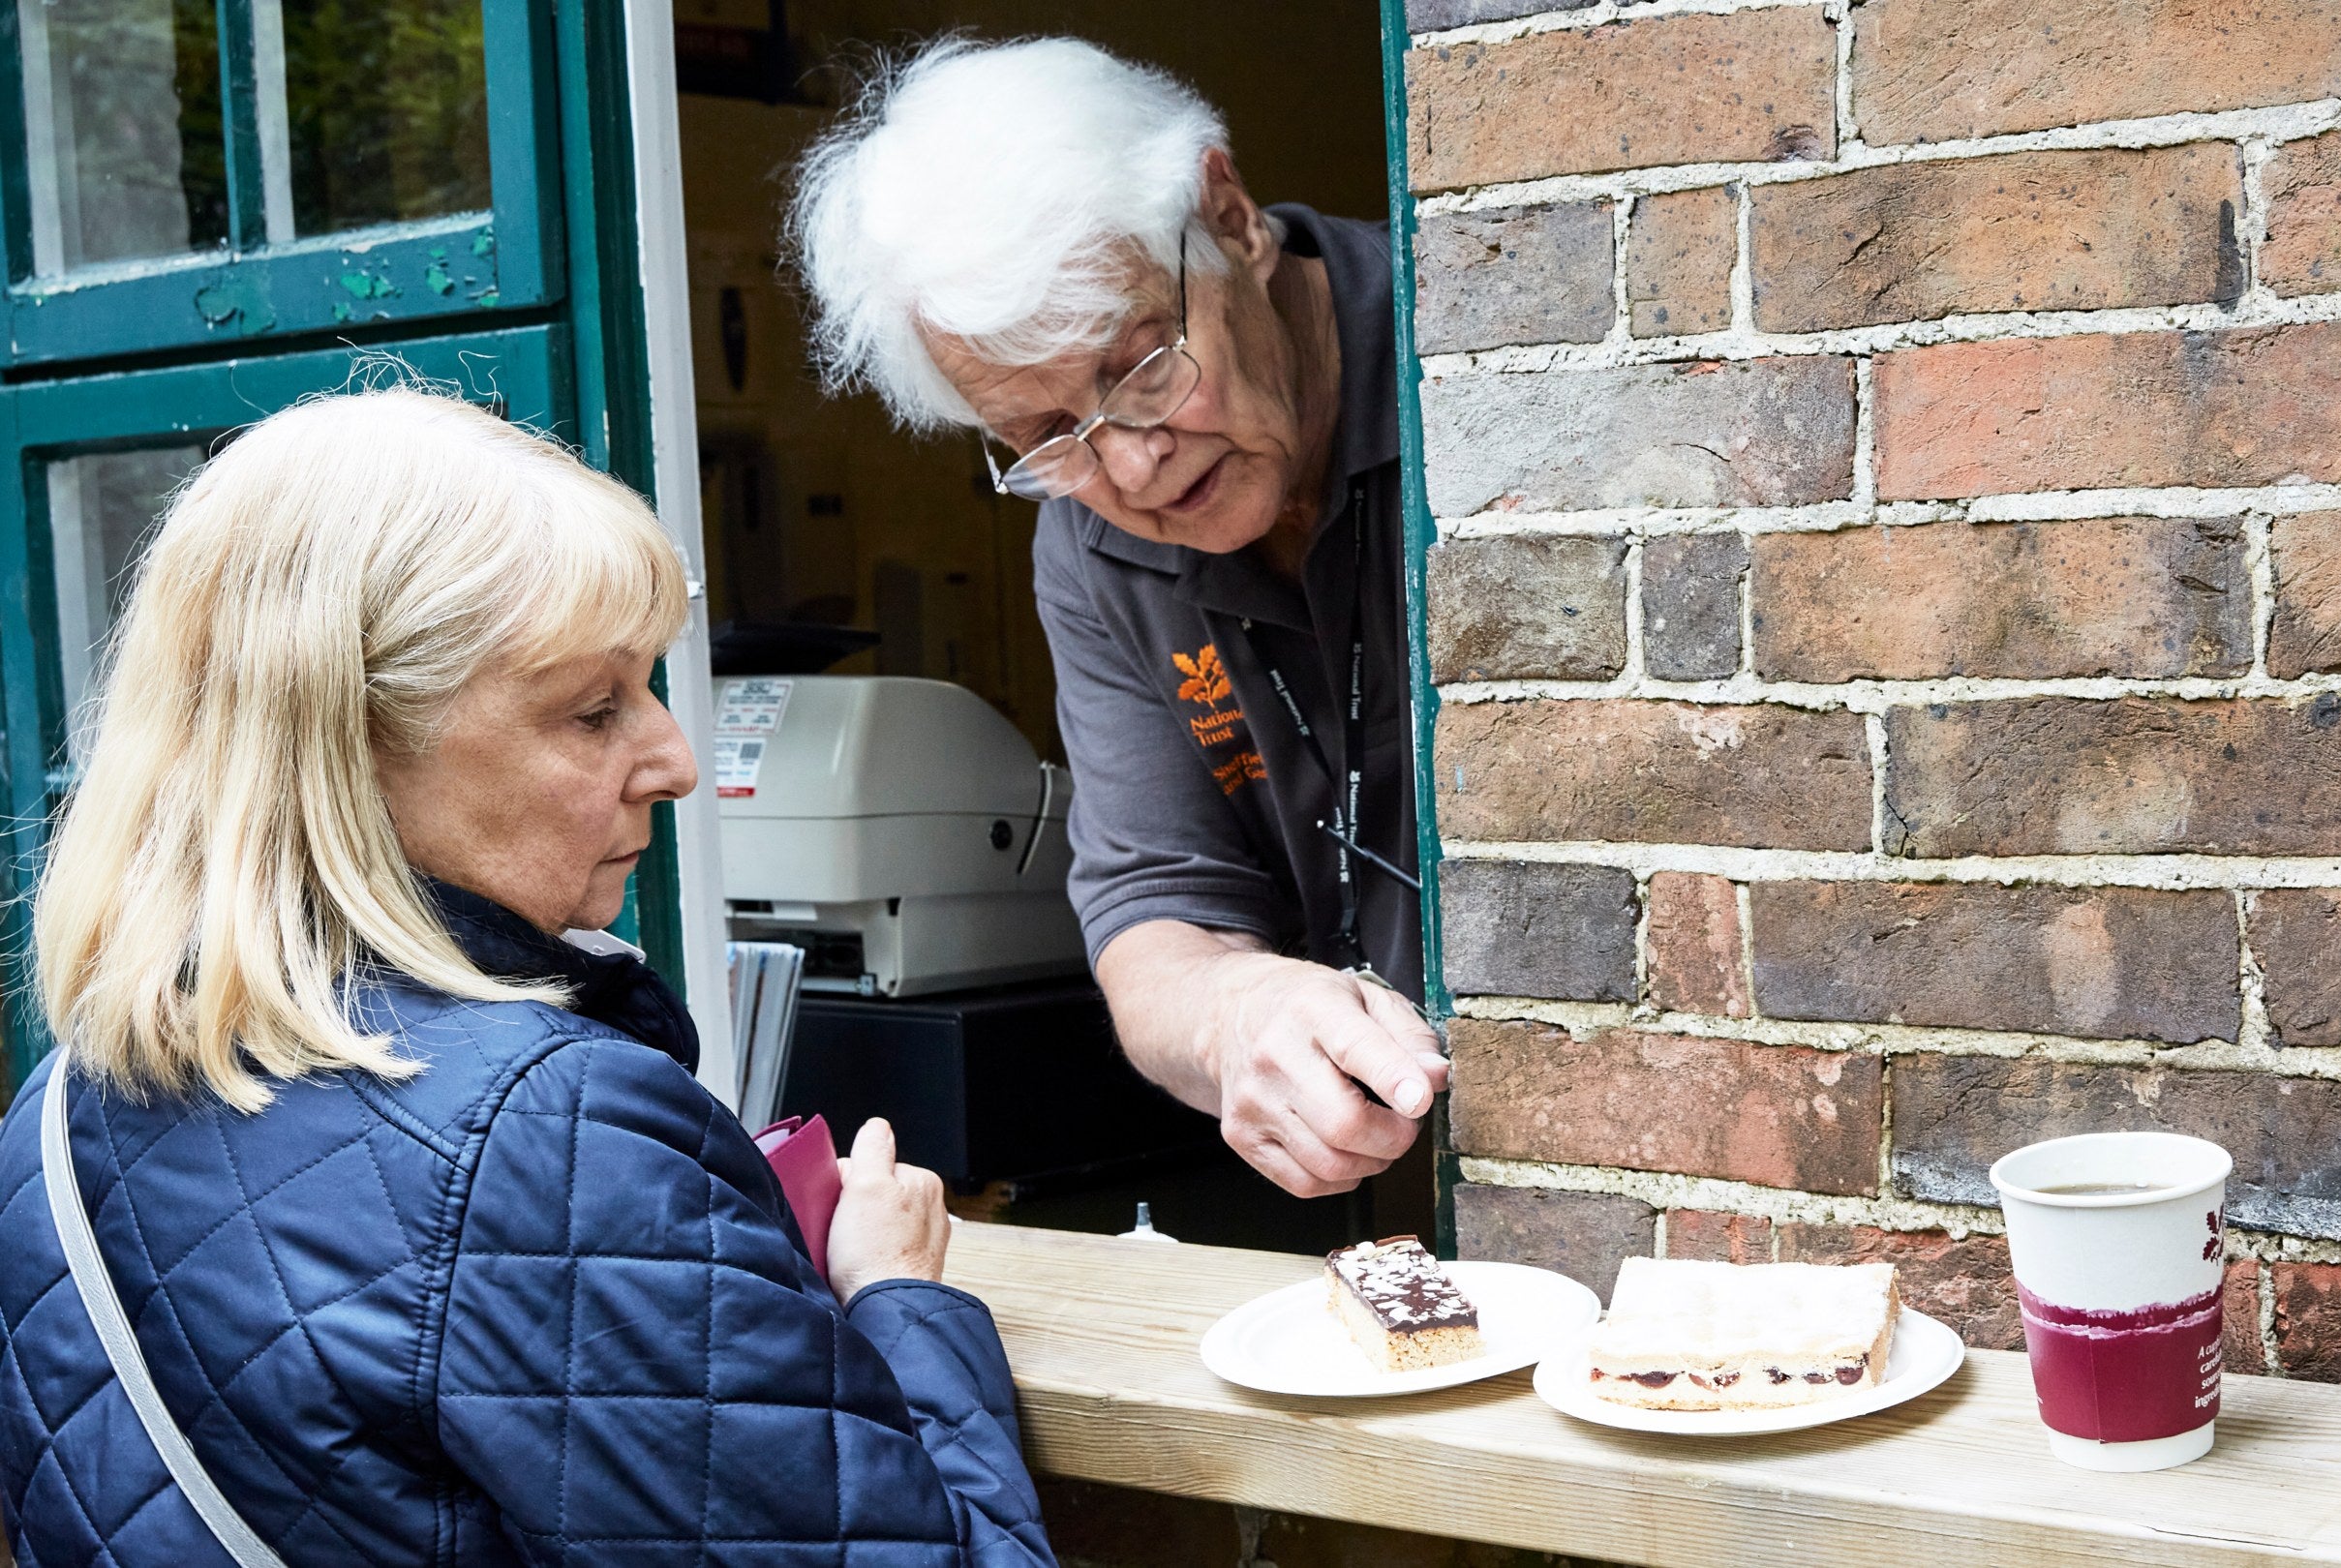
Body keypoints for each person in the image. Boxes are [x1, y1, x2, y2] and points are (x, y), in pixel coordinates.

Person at [0, 388, 1055, 1566]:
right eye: (593, 709)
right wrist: (904, 1299)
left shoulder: (57, 1108)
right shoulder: (550, 1138)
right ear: (351, 750)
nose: (675, 760)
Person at [792, 39, 1445, 1202]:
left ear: (1230, 215)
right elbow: (1154, 907)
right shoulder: (1088, 537)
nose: (1133, 466)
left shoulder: (1480, 362)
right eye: (1040, 435)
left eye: (1142, 365)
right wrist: (1239, 1012)